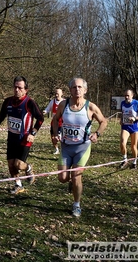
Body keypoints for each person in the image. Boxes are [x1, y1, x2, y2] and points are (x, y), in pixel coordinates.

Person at [52, 78, 107, 217]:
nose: (77, 89)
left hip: (82, 148)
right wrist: (55, 133)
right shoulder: (63, 105)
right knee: (63, 178)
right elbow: (54, 120)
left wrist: (97, 134)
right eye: (74, 87)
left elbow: (103, 121)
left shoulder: (91, 107)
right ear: (70, 90)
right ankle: (70, 182)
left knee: (76, 177)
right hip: (66, 147)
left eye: (80, 87)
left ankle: (76, 205)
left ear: (85, 90)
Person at [0, 76, 44, 195]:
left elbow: (40, 118)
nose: (17, 90)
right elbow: (2, 114)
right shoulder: (8, 101)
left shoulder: (30, 102)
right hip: (12, 137)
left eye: (20, 88)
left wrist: (33, 133)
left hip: (25, 138)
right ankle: (18, 184)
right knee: (11, 165)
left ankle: (28, 168)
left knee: (18, 164)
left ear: (26, 90)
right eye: (15, 87)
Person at [119, 89, 138, 169]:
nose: (126, 97)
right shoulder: (122, 103)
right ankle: (125, 159)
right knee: (122, 143)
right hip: (125, 127)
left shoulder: (137, 103)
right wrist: (121, 120)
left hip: (135, 128)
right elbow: (123, 113)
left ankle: (134, 162)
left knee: (133, 146)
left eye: (128, 95)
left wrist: (135, 118)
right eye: (125, 95)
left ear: (132, 95)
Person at [43, 88, 64, 154]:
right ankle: (56, 149)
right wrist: (44, 111)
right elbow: (48, 109)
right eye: (55, 93)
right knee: (53, 137)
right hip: (54, 123)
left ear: (62, 94)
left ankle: (65, 150)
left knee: (60, 138)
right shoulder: (53, 101)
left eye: (58, 93)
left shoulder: (65, 102)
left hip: (62, 123)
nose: (56, 95)